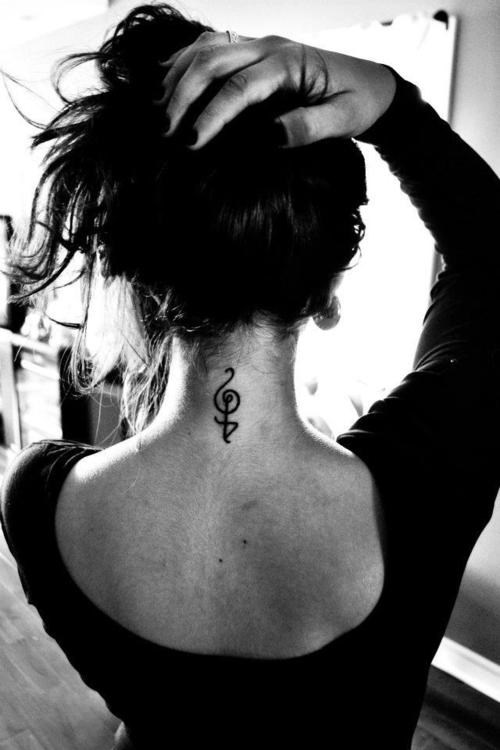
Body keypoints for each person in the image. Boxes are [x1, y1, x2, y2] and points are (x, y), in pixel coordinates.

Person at [1, 4, 499, 749]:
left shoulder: (38, 502)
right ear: (328, 296)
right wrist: (394, 106)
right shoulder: (432, 481)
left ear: (143, 287)